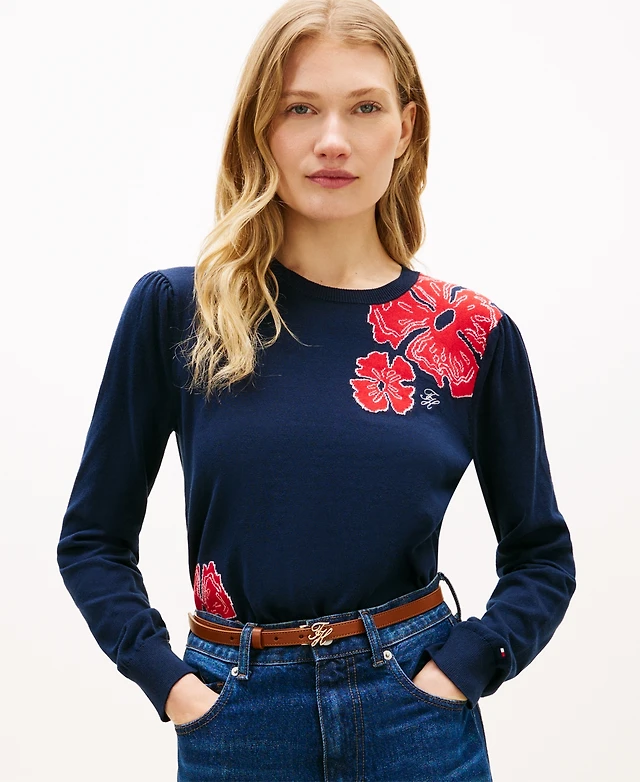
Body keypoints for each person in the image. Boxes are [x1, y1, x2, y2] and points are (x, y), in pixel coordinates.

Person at [57, 1, 577, 780]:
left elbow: (542, 557)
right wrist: (171, 685)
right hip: (236, 717)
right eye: (300, 108)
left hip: (417, 719)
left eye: (364, 107)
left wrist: (464, 668)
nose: (332, 140)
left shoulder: (468, 334)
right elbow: (92, 540)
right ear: (261, 127)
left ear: (405, 127)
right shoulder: (181, 312)